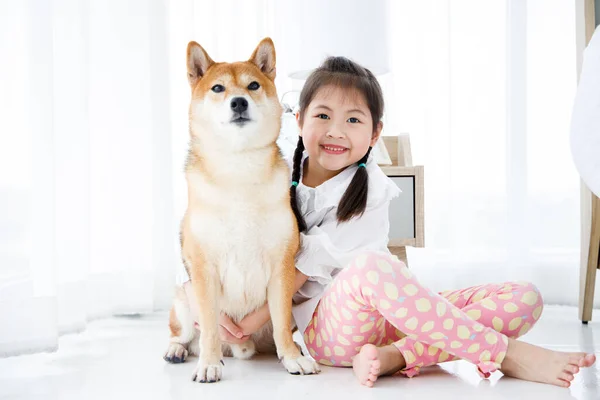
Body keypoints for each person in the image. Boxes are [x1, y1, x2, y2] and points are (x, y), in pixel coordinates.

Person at [178, 56, 596, 388]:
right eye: (322, 116)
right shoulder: (277, 181)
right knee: (375, 269)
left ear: (375, 133)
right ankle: (507, 353)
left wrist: (243, 327)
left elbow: (297, 268)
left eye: (354, 120)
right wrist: (229, 320)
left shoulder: (373, 191)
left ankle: (401, 356)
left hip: (392, 321)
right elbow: (270, 267)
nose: (335, 131)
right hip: (333, 331)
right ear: (299, 119)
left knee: (525, 296)